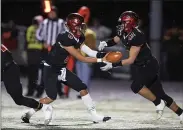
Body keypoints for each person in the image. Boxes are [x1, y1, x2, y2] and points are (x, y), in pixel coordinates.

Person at [21, 13, 111, 125]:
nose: (82, 27)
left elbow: (89, 51)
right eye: (79, 25)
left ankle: (94, 116)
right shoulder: (64, 37)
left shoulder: (79, 36)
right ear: (73, 26)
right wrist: (102, 60)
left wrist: (104, 55)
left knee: (82, 88)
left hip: (61, 69)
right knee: (51, 97)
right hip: (51, 69)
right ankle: (28, 113)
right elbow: (81, 58)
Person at [98, 11, 183, 124]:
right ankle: (181, 113)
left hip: (149, 65)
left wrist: (112, 65)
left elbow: (130, 60)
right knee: (161, 94)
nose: (121, 25)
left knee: (136, 86)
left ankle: (158, 102)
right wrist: (106, 43)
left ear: (129, 23)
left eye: (123, 23)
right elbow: (116, 39)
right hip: (142, 66)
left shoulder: (137, 36)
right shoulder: (123, 31)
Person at [1, 44, 52, 123]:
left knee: (18, 99)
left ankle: (43, 106)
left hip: (9, 70)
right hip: (5, 69)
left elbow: (6, 57)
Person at [36, 6, 66, 98]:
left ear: (56, 13)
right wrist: (42, 41)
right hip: (45, 50)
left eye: (53, 12)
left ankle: (60, 92)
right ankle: (39, 91)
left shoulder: (61, 23)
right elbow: (38, 33)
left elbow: (65, 34)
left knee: (56, 71)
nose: (51, 14)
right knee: (43, 70)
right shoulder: (44, 22)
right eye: (50, 12)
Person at [26, 15, 44, 97]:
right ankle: (35, 91)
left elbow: (27, 39)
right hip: (38, 51)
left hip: (31, 51)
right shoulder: (42, 29)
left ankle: (32, 91)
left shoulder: (30, 28)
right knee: (36, 73)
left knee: (33, 72)